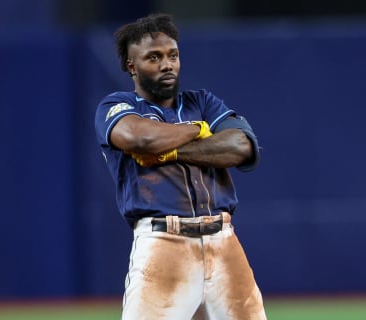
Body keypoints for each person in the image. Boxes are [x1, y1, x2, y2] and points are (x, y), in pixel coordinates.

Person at [94, 13, 266, 320]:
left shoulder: (202, 102)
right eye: (153, 57)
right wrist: (200, 130)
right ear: (132, 66)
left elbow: (242, 146)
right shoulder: (118, 106)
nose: (166, 64)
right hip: (164, 244)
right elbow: (139, 138)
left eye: (172, 55)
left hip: (223, 242)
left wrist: (170, 151)